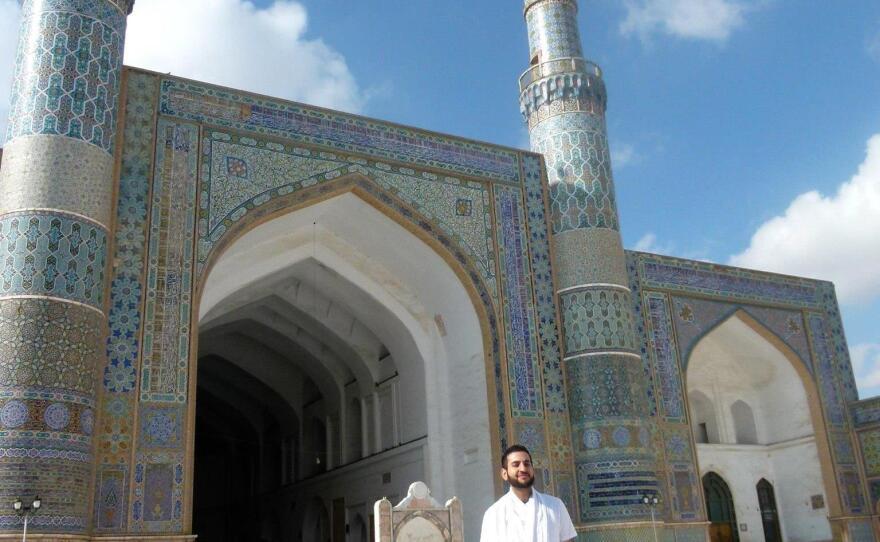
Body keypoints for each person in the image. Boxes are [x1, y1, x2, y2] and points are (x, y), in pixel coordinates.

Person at [480, 444, 577, 542]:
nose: (523, 469)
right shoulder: (493, 514)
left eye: (527, 464)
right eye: (516, 464)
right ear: (504, 474)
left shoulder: (555, 506)